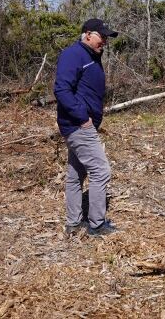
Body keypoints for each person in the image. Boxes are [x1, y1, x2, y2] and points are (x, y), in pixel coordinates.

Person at [54, 18, 119, 237]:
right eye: (102, 37)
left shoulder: (90, 56)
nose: (105, 42)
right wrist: (83, 118)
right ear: (88, 34)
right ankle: (97, 225)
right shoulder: (73, 55)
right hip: (78, 125)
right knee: (101, 171)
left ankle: (73, 223)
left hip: (80, 125)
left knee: (75, 173)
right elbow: (62, 90)